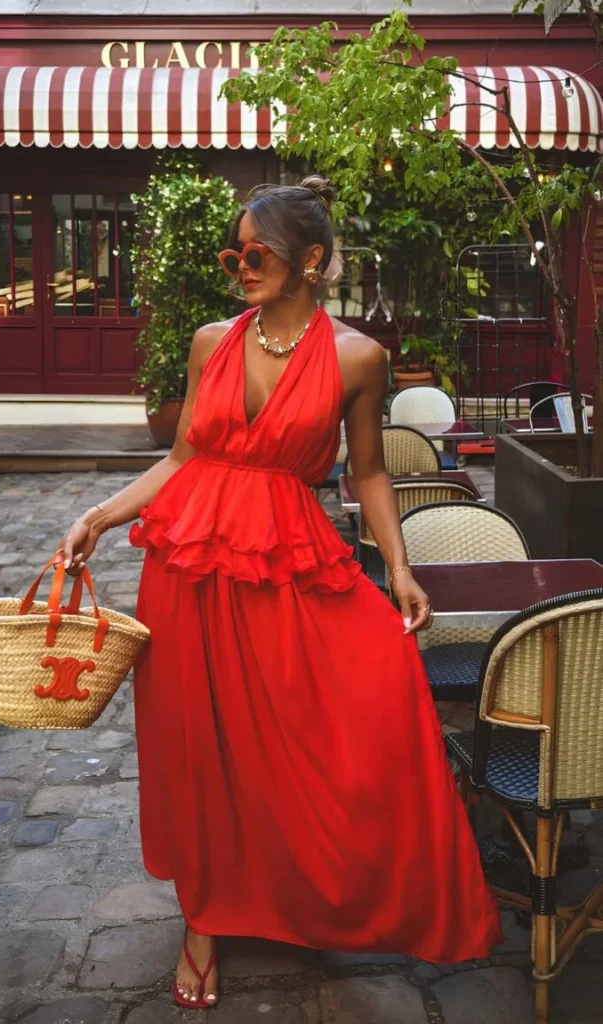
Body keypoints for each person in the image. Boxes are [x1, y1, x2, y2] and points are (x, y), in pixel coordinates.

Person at [59, 176, 501, 1011]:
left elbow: (368, 472)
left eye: (254, 254)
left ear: (312, 263)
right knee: (198, 742)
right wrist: (103, 515)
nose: (239, 268)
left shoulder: (356, 357)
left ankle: (295, 886)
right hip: (186, 570)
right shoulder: (209, 341)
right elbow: (185, 456)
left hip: (289, 564)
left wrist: (398, 566)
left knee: (326, 720)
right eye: (233, 255)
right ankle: (203, 917)